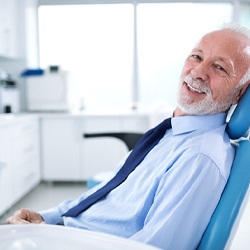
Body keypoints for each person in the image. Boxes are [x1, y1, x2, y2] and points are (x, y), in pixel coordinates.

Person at [7, 23, 250, 250]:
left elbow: (153, 247)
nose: (198, 71)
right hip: (69, 231)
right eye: (197, 56)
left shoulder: (200, 157)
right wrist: (47, 218)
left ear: (239, 93)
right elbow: (111, 192)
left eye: (219, 67)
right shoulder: (171, 133)